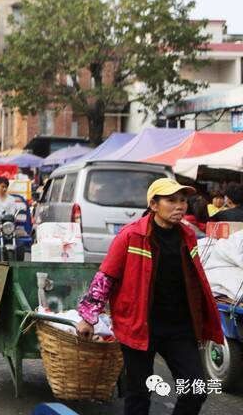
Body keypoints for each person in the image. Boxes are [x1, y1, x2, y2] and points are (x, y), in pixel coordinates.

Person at [76, 178, 222, 415]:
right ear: (154, 205)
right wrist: (88, 317)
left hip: (179, 328)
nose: (180, 206)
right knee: (139, 394)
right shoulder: (131, 236)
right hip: (139, 326)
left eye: (183, 200)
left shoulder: (188, 235)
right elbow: (106, 277)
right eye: (171, 200)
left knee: (196, 389)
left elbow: (196, 281)